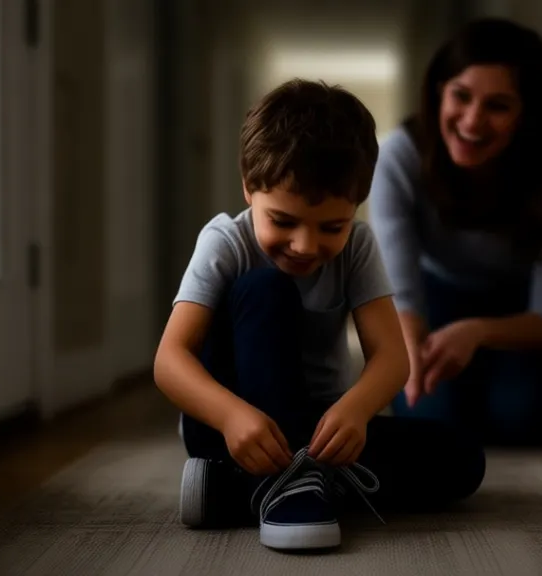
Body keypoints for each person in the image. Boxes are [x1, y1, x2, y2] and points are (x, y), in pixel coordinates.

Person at [152, 79, 485, 553]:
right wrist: (230, 416)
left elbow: (392, 357)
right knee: (266, 287)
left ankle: (235, 489)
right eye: (283, 221)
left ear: (356, 207)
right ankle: (291, 485)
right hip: (234, 428)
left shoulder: (359, 247)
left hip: (319, 428)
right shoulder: (224, 242)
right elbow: (170, 361)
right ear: (248, 186)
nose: (306, 245)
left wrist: (357, 409)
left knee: (462, 458)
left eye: (332, 226)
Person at [368, 18, 542, 446]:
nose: (473, 121)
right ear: (439, 90)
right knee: (432, 424)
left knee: (520, 422)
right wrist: (410, 357)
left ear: (527, 114)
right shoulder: (399, 157)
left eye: (498, 106)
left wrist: (475, 331)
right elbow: (401, 293)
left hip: (520, 314)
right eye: (461, 96)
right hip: (432, 298)